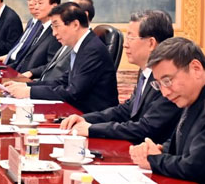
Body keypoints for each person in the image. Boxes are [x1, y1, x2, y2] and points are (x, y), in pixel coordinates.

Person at [62, 11, 180, 143]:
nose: (125, 44)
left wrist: (92, 129)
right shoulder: (145, 72)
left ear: (151, 43)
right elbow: (127, 110)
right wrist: (86, 119)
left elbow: (145, 128)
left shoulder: (167, 81)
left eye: (131, 38)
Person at [4, 2, 118, 114]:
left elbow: (73, 92)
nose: (54, 33)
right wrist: (26, 86)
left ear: (75, 25)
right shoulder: (82, 46)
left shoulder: (92, 49)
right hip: (77, 110)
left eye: (56, 26)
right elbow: (62, 81)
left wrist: (29, 92)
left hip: (92, 116)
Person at [129, 37, 205, 184]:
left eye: (167, 81)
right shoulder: (192, 96)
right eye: (159, 84)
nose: (164, 93)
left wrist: (153, 160)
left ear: (196, 69)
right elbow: (186, 137)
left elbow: (195, 167)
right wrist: (163, 149)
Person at [24, 0, 95, 83]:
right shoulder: (70, 39)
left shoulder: (88, 47)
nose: (54, 33)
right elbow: (53, 67)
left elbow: (70, 86)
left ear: (84, 15)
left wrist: (30, 89)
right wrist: (29, 85)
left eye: (68, 9)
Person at [13, 0, 61, 74]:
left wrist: (32, 72)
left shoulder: (56, 32)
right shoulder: (39, 27)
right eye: (35, 3)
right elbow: (24, 57)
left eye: (40, 3)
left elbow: (53, 65)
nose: (35, 7)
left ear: (54, 6)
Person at [0, 0, 40, 66]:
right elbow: (20, 45)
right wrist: (9, 55)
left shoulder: (42, 26)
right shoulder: (31, 22)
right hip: (10, 60)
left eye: (35, 0)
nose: (31, 3)